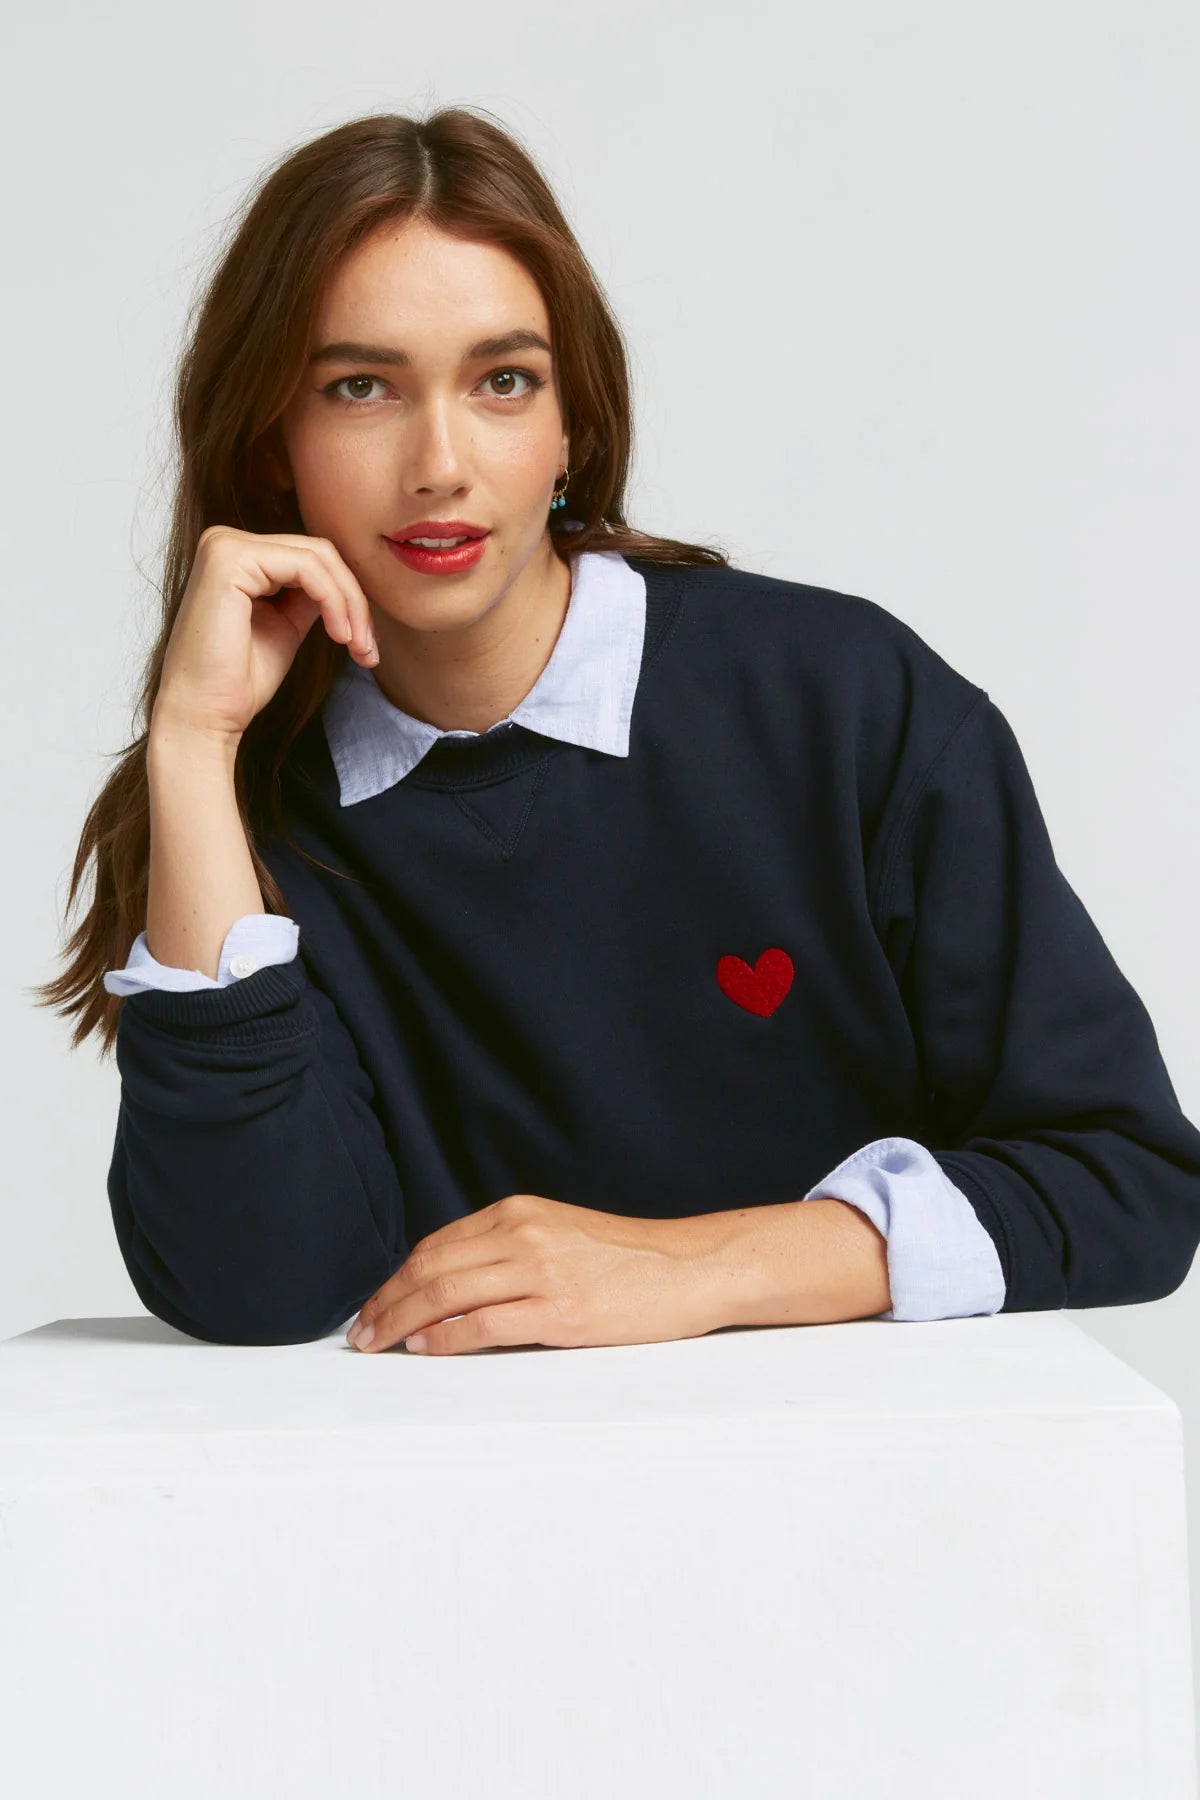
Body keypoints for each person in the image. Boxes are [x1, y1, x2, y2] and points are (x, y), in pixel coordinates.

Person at [31, 107, 1200, 1352]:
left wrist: (699, 1270)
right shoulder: (246, 810)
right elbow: (252, 1292)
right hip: (456, 1479)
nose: (439, 463)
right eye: (361, 387)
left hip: (862, 1462)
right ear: (273, 443)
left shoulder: (843, 700)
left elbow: (1128, 1182)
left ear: (572, 428)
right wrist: (190, 742)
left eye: (503, 381)